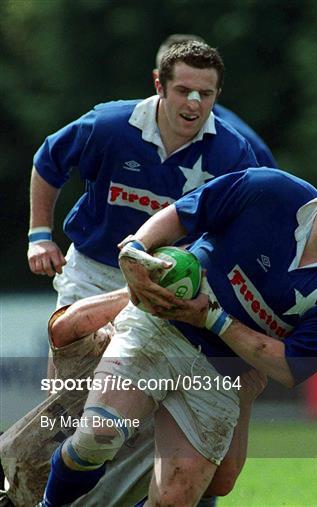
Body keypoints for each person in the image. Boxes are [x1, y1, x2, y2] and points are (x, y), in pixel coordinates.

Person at [38, 165, 317, 506]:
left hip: (225, 371)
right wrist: (137, 248)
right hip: (162, 328)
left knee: (178, 498)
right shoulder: (269, 191)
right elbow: (183, 213)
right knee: (97, 437)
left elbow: (289, 368)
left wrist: (214, 319)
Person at [21, 39, 265, 507]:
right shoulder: (111, 125)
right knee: (68, 411)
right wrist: (39, 234)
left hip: (171, 289)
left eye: (206, 94)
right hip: (94, 273)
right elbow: (48, 162)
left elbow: (246, 231)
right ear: (159, 85)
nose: (194, 103)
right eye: (184, 90)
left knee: (178, 425)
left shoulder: (234, 155)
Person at [0, 289, 266, 506]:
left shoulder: (210, 385)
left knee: (192, 493)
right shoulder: (119, 347)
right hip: (27, 485)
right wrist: (150, 292)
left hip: (104, 496)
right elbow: (65, 327)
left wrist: (244, 396)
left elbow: (220, 483)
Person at [154, 34, 277, 168]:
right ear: (158, 82)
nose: (192, 102)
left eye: (204, 92)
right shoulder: (130, 125)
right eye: (182, 88)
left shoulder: (242, 145)